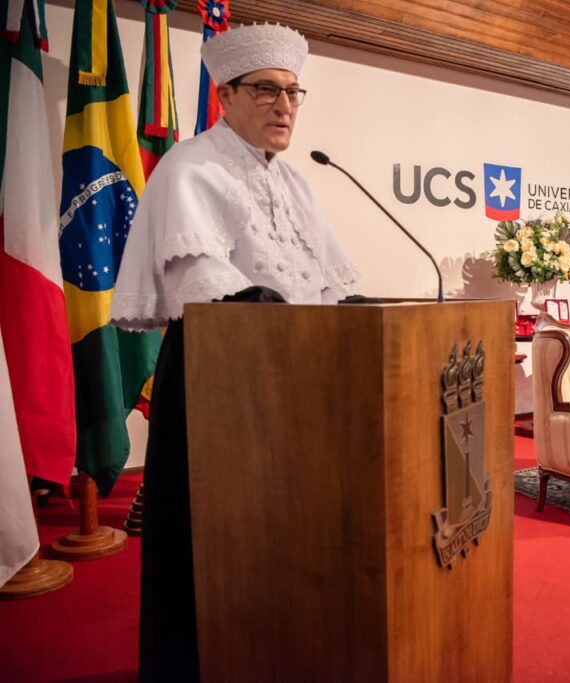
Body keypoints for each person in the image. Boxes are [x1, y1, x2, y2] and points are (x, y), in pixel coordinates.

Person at [110, 23, 359, 683]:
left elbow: (327, 281)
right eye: (267, 90)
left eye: (294, 93)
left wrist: (351, 308)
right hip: (217, 382)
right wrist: (269, 310)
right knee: (213, 539)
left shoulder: (297, 181)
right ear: (224, 94)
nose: (285, 106)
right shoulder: (190, 167)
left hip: (296, 377)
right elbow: (204, 281)